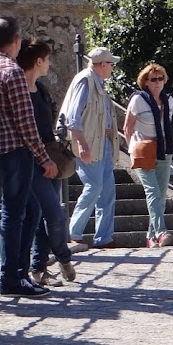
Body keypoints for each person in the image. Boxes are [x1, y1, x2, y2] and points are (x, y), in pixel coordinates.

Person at [0, 16, 57, 297]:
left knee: (29, 209)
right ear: (16, 40)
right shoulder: (13, 72)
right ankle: (11, 279)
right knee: (15, 212)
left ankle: (19, 273)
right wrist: (44, 158)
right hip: (15, 151)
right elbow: (25, 122)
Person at [16, 38, 77, 287]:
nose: (50, 63)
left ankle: (38, 269)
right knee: (53, 213)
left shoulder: (40, 89)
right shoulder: (19, 91)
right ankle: (63, 257)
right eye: (47, 59)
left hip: (49, 156)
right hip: (31, 160)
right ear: (38, 61)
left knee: (45, 213)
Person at [60, 47, 121, 250]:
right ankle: (74, 232)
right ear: (102, 65)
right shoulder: (86, 81)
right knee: (94, 186)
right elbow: (73, 117)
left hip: (100, 143)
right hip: (89, 143)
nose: (112, 68)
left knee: (107, 191)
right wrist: (82, 144)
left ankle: (104, 237)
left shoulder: (97, 83)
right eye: (111, 64)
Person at [124, 63, 173, 248]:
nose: (157, 82)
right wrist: (133, 149)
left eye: (160, 78)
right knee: (152, 192)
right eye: (153, 79)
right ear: (145, 82)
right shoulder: (138, 100)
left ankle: (151, 236)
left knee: (160, 196)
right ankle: (162, 232)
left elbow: (166, 127)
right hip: (143, 151)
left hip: (163, 151)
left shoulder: (169, 101)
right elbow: (127, 128)